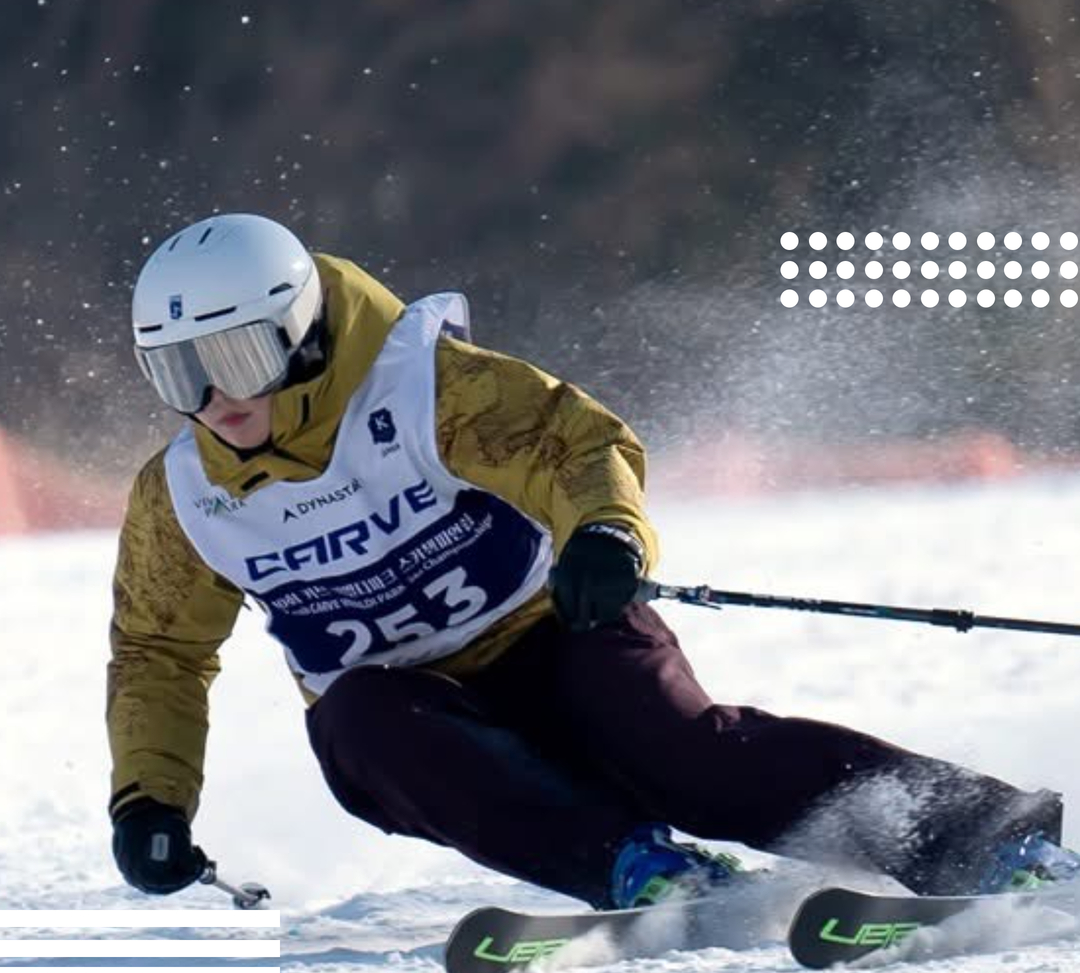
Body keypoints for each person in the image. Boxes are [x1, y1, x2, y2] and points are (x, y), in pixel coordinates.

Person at [108, 212, 1077, 909]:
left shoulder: (425, 390)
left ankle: (984, 838)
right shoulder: (184, 496)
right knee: (360, 716)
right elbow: (159, 653)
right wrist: (150, 800)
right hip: (411, 718)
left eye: (237, 359)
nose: (216, 399)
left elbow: (575, 447)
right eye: (179, 372)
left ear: (305, 332)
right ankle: (640, 872)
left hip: (556, 634)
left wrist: (605, 535)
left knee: (686, 759)